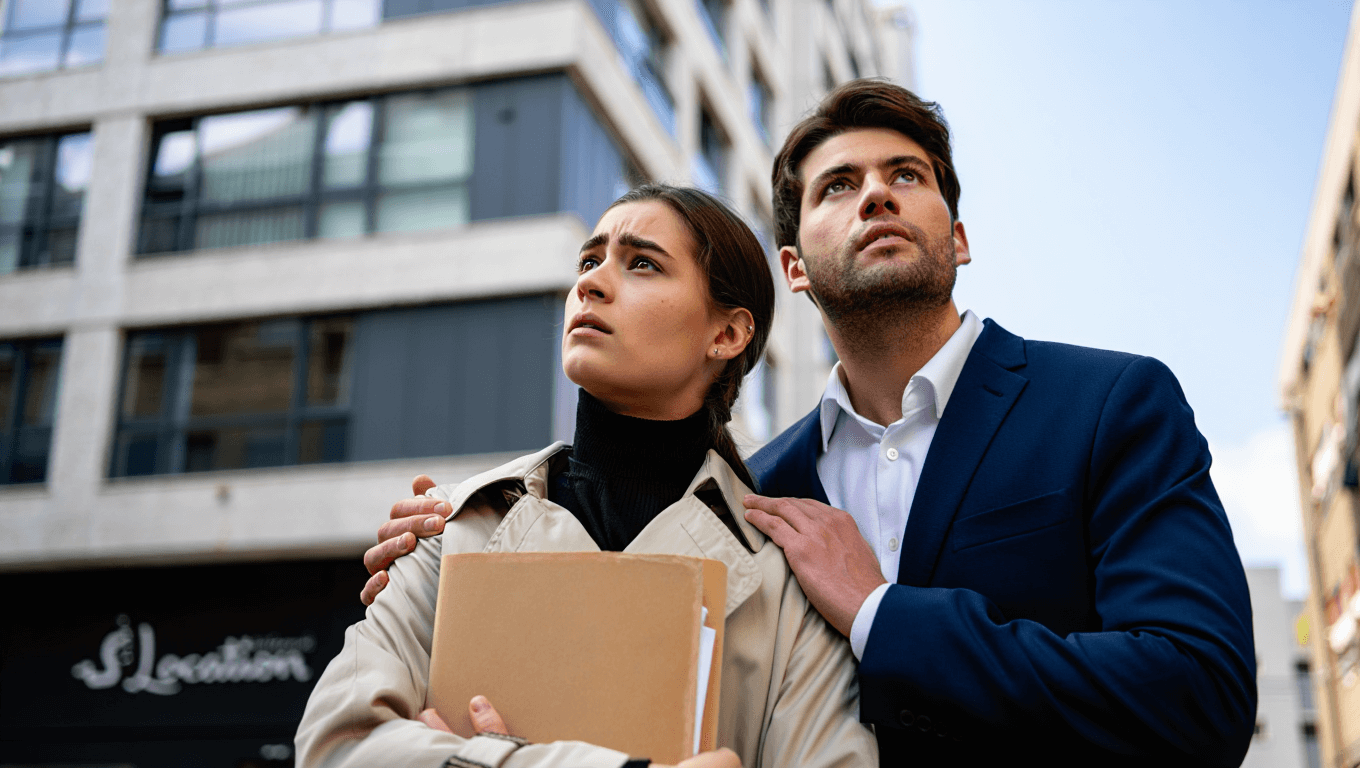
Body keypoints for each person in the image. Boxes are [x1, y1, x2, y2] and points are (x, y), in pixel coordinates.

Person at [363, 80, 1257, 766]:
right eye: (838, 186)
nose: (875, 195)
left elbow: (1201, 693)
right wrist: (461, 527)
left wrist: (880, 612)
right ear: (793, 268)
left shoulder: (1112, 404)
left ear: (960, 237)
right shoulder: (758, 491)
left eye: (905, 176)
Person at [294, 184, 878, 768]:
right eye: (589, 261)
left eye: (642, 264)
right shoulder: (452, 527)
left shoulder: (791, 584)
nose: (590, 284)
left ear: (726, 335)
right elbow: (335, 746)